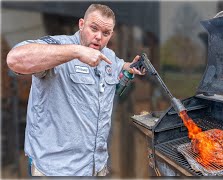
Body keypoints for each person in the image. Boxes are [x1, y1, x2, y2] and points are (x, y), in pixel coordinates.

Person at [6, 4, 145, 176]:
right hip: (56, 170)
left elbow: (118, 68)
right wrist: (77, 52)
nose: (98, 37)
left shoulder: (108, 55)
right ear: (81, 24)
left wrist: (128, 68)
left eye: (105, 33)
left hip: (94, 166)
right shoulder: (58, 45)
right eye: (93, 28)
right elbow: (14, 59)